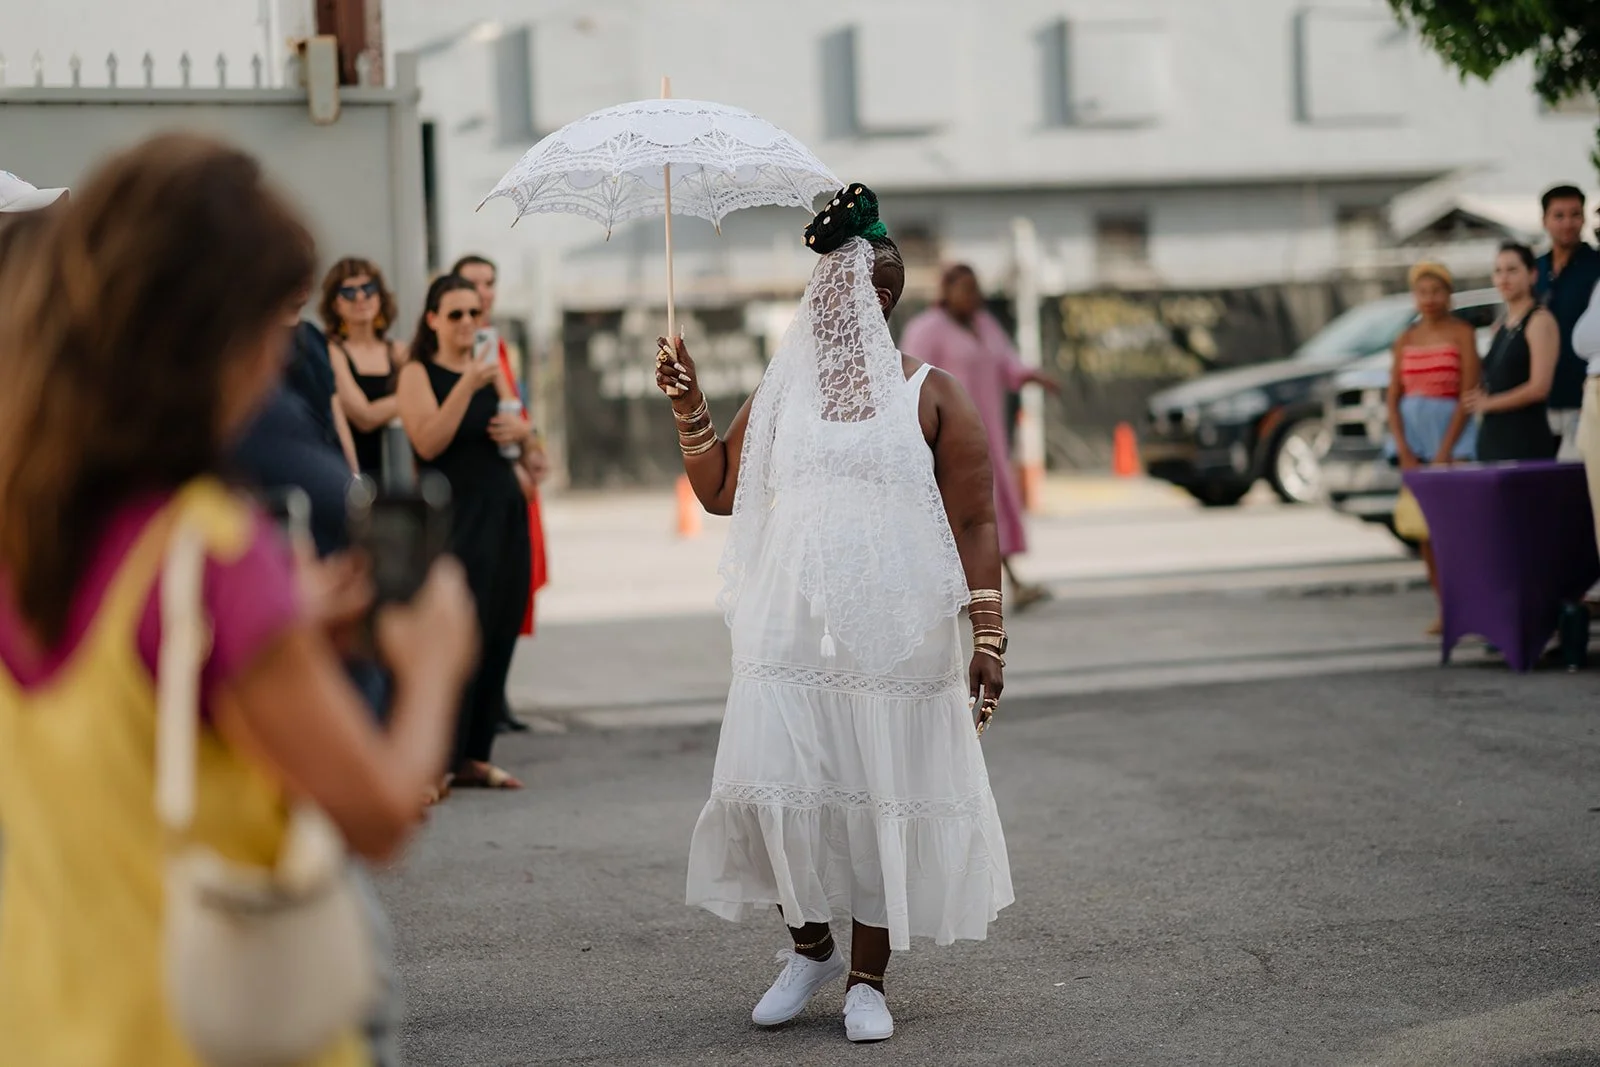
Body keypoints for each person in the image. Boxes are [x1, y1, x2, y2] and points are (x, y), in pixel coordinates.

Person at [0, 133, 477, 1067]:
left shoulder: (33, 523)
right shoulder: (211, 552)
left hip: (58, 1019)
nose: (276, 362)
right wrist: (433, 665)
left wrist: (285, 632)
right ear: (212, 339)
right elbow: (378, 813)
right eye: (271, 327)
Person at [664, 185, 1013, 1044]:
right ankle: (808, 944)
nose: (827, 302)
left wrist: (989, 632)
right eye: (821, 288)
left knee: (875, 798)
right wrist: (687, 403)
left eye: (845, 288)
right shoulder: (784, 394)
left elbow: (973, 518)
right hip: (785, 628)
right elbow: (716, 491)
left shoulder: (934, 394)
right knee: (767, 786)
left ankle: (867, 979)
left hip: (895, 635)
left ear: (880, 299)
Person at [397, 274, 548, 791]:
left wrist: (527, 436)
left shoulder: (493, 371)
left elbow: (529, 449)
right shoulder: (418, 372)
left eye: (474, 314)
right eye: (455, 314)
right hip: (458, 517)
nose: (467, 323)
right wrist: (466, 382)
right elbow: (428, 441)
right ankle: (437, 759)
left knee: (502, 628)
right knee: (461, 636)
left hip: (506, 509)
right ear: (433, 319)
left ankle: (474, 756)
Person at [902, 263, 1059, 609]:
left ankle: (998, 589)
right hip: (946, 436)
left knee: (987, 509)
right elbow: (910, 378)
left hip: (988, 434)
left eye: (977, 289)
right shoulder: (927, 329)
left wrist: (1035, 377)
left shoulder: (985, 326)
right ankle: (988, 591)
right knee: (957, 512)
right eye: (966, 289)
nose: (974, 297)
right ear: (947, 291)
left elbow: (1009, 364)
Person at [451, 253, 550, 734]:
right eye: (473, 286)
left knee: (516, 586)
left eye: (489, 284)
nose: (483, 295)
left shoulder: (498, 346)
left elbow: (515, 408)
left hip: (513, 474)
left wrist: (530, 444)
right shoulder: (457, 351)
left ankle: (497, 696)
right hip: (479, 482)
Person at [1385, 261, 1481, 635]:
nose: (1430, 299)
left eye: (1437, 291)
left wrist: (1445, 451)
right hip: (1415, 442)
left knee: (1458, 530)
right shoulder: (1405, 339)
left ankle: (1472, 603)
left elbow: (1467, 393)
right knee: (1425, 532)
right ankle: (1446, 608)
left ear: (1449, 293)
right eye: (1423, 292)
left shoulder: (1462, 333)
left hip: (1453, 440)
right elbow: (1393, 396)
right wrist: (1404, 448)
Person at [1466, 243, 1560, 461]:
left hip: (1524, 439)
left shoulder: (1539, 321)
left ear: (1532, 274)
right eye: (1498, 271)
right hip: (1493, 438)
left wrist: (1488, 404)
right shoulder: (1501, 325)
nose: (1504, 278)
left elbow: (1539, 388)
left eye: (1512, 270)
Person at [323, 257, 407, 478]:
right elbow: (364, 417)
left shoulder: (398, 351)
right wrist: (409, 399)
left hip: (401, 468)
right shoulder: (332, 351)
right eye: (348, 292)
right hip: (355, 473)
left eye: (368, 288)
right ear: (335, 303)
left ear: (380, 296)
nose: (360, 297)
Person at [1534, 185, 1600, 457]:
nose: (1567, 223)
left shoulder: (1597, 264)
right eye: (1558, 215)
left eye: (1575, 214)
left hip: (1584, 395)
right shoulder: (1533, 269)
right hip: (1541, 399)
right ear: (1545, 220)